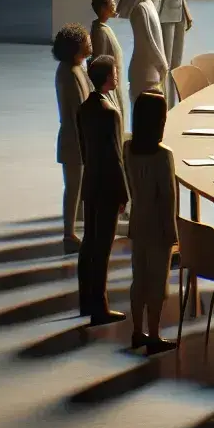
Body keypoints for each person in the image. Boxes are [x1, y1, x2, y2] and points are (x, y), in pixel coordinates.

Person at [123, 91, 178, 354]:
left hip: (138, 220)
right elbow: (168, 197)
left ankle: (137, 331)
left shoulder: (128, 148)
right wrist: (173, 232)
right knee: (158, 282)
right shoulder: (163, 155)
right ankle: (154, 334)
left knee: (139, 279)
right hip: (159, 225)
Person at [77, 54, 126, 326]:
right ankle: (101, 306)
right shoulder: (111, 113)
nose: (117, 76)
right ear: (108, 79)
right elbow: (116, 157)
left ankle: (86, 300)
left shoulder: (84, 109)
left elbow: (86, 151)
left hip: (91, 183)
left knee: (89, 244)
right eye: (115, 73)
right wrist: (124, 193)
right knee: (103, 248)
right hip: (107, 186)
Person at [53, 24, 93, 253]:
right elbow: (80, 109)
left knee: (76, 186)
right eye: (86, 42)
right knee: (73, 187)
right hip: (74, 140)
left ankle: (73, 230)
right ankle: (68, 233)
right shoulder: (69, 73)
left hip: (76, 138)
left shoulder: (74, 68)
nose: (90, 45)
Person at [118, 0, 167, 114]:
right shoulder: (140, 9)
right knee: (144, 114)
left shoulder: (148, 4)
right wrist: (162, 62)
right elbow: (149, 41)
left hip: (153, 68)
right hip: (146, 70)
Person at [90, 0, 124, 107]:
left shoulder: (105, 28)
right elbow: (101, 60)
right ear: (104, 8)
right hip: (109, 86)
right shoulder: (100, 31)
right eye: (112, 3)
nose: (115, 5)